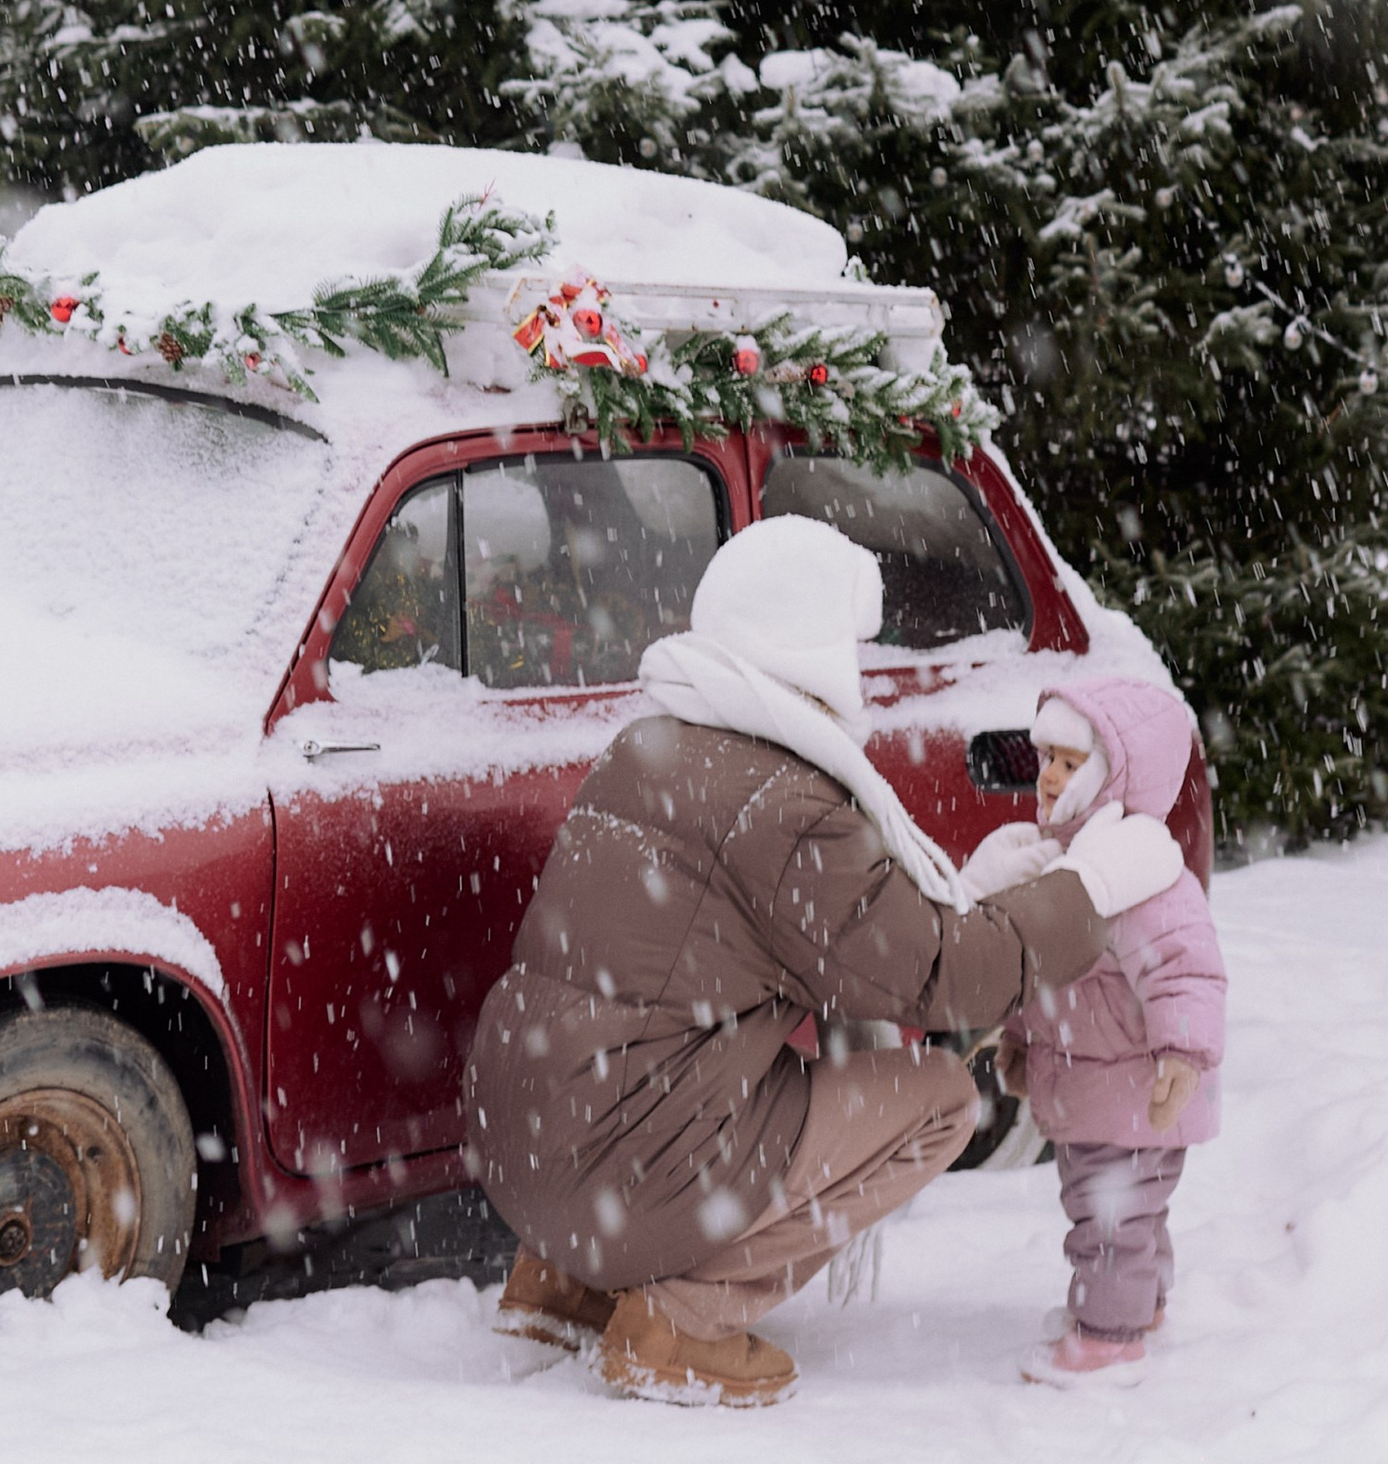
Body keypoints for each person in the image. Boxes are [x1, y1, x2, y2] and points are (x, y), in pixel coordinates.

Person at [461, 510, 1186, 1408]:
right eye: (850, 642)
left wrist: (974, 890)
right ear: (809, 648)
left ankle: (565, 1285)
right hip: (626, 1162)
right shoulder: (781, 803)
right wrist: (1087, 890)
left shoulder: (649, 747)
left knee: (714, 1066)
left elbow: (847, 940)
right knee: (939, 1102)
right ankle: (680, 1318)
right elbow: (941, 978)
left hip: (527, 1151)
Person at [967, 674, 1226, 1389]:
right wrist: (1020, 1036)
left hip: (1135, 1093)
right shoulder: (1070, 869)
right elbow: (1046, 968)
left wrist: (1183, 1055)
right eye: (1045, 757)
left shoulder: (1136, 876)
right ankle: (1139, 1307)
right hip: (1097, 1086)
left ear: (1117, 777)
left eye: (1069, 764)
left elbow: (1186, 973)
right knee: (1127, 1211)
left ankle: (1108, 1339)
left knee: (1108, 1217)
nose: (1047, 776)